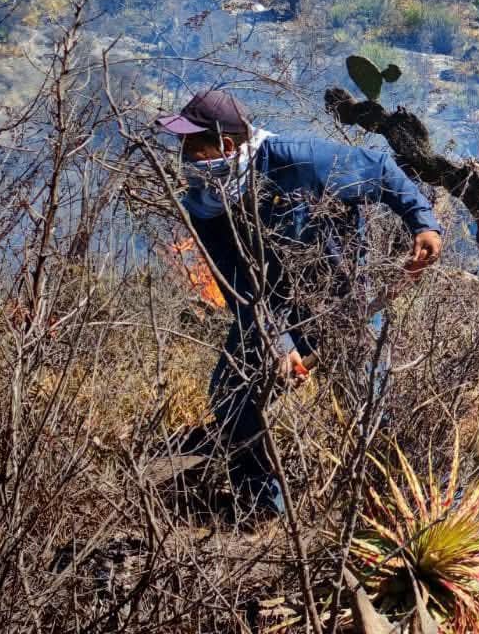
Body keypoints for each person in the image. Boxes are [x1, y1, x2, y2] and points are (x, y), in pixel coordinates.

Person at [156, 87, 443, 522]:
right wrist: (278, 339)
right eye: (182, 148)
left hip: (344, 303)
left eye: (193, 147)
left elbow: (382, 171)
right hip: (271, 310)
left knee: (370, 408)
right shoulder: (205, 203)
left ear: (227, 146)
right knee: (232, 395)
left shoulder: (300, 160)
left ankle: (402, 508)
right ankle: (263, 509)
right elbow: (237, 283)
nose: (184, 160)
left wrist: (423, 224)